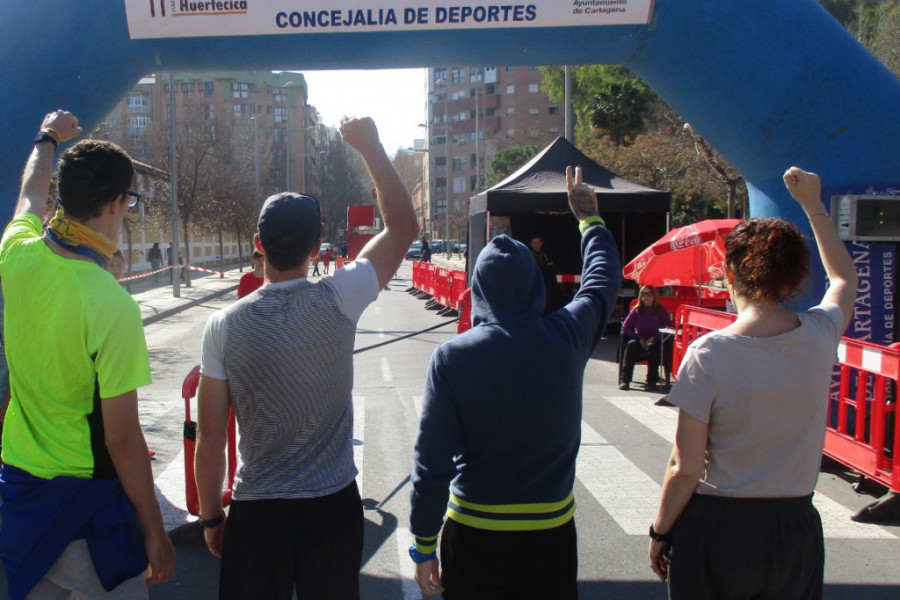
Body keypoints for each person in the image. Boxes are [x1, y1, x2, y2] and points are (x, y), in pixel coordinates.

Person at [194, 116, 417, 600]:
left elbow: (210, 440)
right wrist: (371, 147)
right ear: (317, 247)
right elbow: (403, 227)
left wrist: (212, 517)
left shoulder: (223, 326)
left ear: (258, 246)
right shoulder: (341, 296)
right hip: (331, 510)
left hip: (257, 512)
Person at [409, 166, 621, 598]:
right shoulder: (567, 337)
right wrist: (589, 220)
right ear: (534, 284)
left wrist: (424, 544)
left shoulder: (453, 358)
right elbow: (601, 281)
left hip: (474, 533)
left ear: (478, 287)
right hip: (551, 536)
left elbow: (431, 461)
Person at [648, 167, 857, 600]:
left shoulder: (710, 354)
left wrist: (660, 530)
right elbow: (843, 280)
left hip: (717, 526)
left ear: (728, 271)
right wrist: (813, 204)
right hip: (794, 524)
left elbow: (684, 468)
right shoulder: (820, 335)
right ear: (796, 276)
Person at [0, 110, 175, 599]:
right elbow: (122, 439)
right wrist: (155, 533)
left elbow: (30, 194)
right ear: (118, 202)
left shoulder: (16, 253)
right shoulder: (110, 303)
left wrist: (47, 137)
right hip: (88, 513)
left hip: (19, 500)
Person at [619, 285, 672, 391]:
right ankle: (625, 380)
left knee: (653, 348)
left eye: (649, 294)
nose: (646, 296)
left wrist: (653, 338)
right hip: (640, 339)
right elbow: (626, 327)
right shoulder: (636, 310)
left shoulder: (660, 310)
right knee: (631, 346)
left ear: (654, 296)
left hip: (655, 340)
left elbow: (668, 327)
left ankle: (651, 382)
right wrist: (639, 338)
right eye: (644, 294)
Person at [530, 234, 564, 314]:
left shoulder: (546, 255)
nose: (536, 245)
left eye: (538, 242)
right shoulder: (529, 255)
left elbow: (551, 269)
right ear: (531, 244)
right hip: (536, 286)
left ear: (541, 243)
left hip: (549, 286)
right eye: (534, 243)